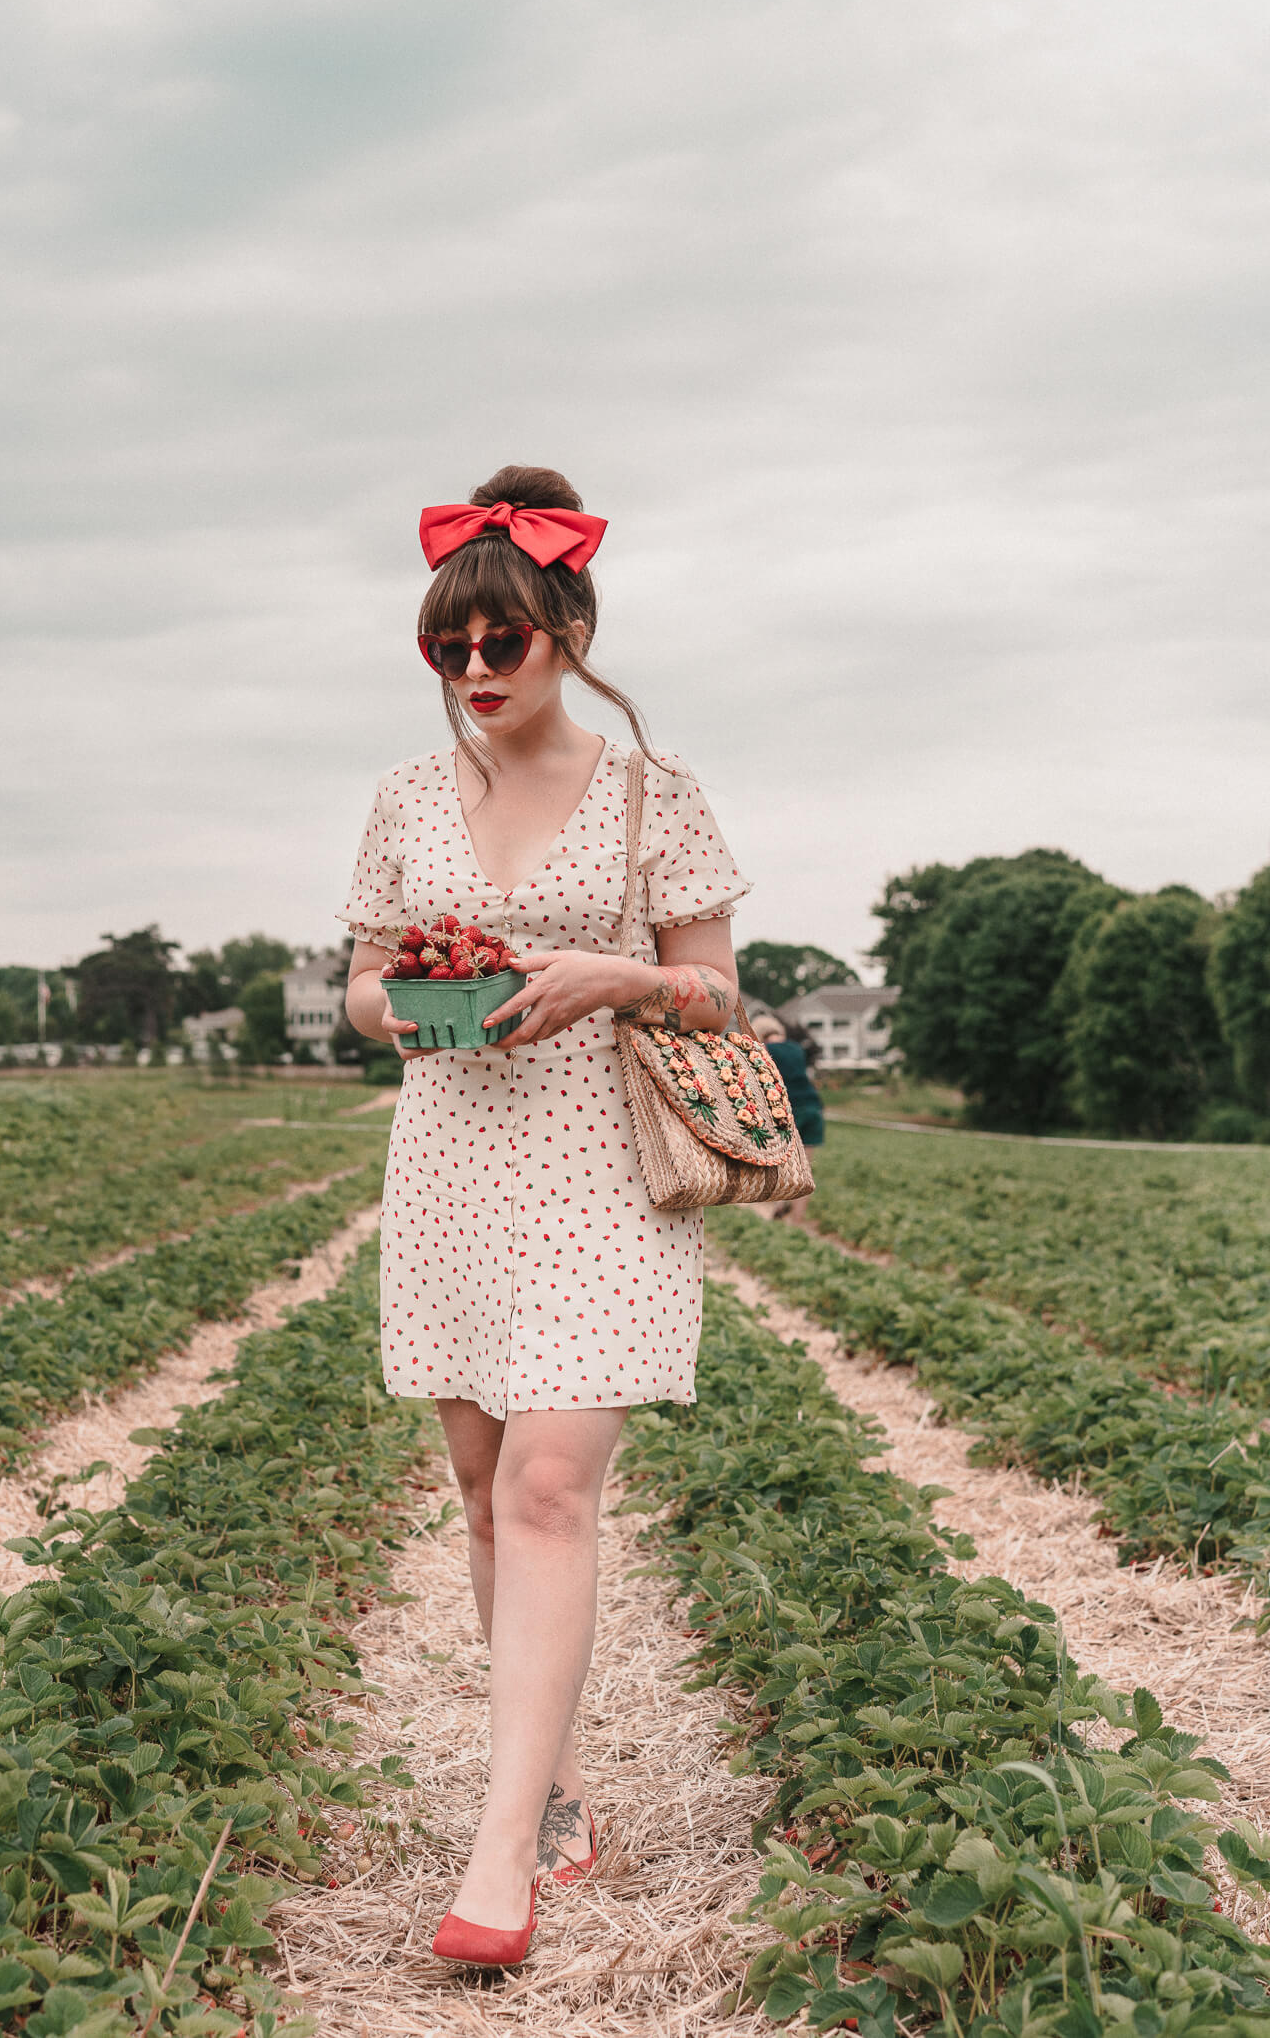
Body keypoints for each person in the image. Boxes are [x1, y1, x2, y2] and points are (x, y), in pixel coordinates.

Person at [338, 465, 750, 1968]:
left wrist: (614, 977)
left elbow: (717, 992)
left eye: (501, 641)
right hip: (451, 1156)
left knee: (552, 1486)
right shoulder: (400, 799)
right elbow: (365, 980)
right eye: (451, 646)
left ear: (568, 630)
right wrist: (406, 1007)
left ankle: (500, 1852)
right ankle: (558, 1788)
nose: (475, 671)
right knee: (481, 1484)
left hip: (598, 1169)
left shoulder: (657, 795)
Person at [753, 1013, 823, 1218]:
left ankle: (777, 1206)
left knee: (779, 1164)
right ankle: (797, 1221)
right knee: (805, 1170)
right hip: (812, 1108)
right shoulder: (797, 1048)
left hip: (786, 1111)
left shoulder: (764, 1050)